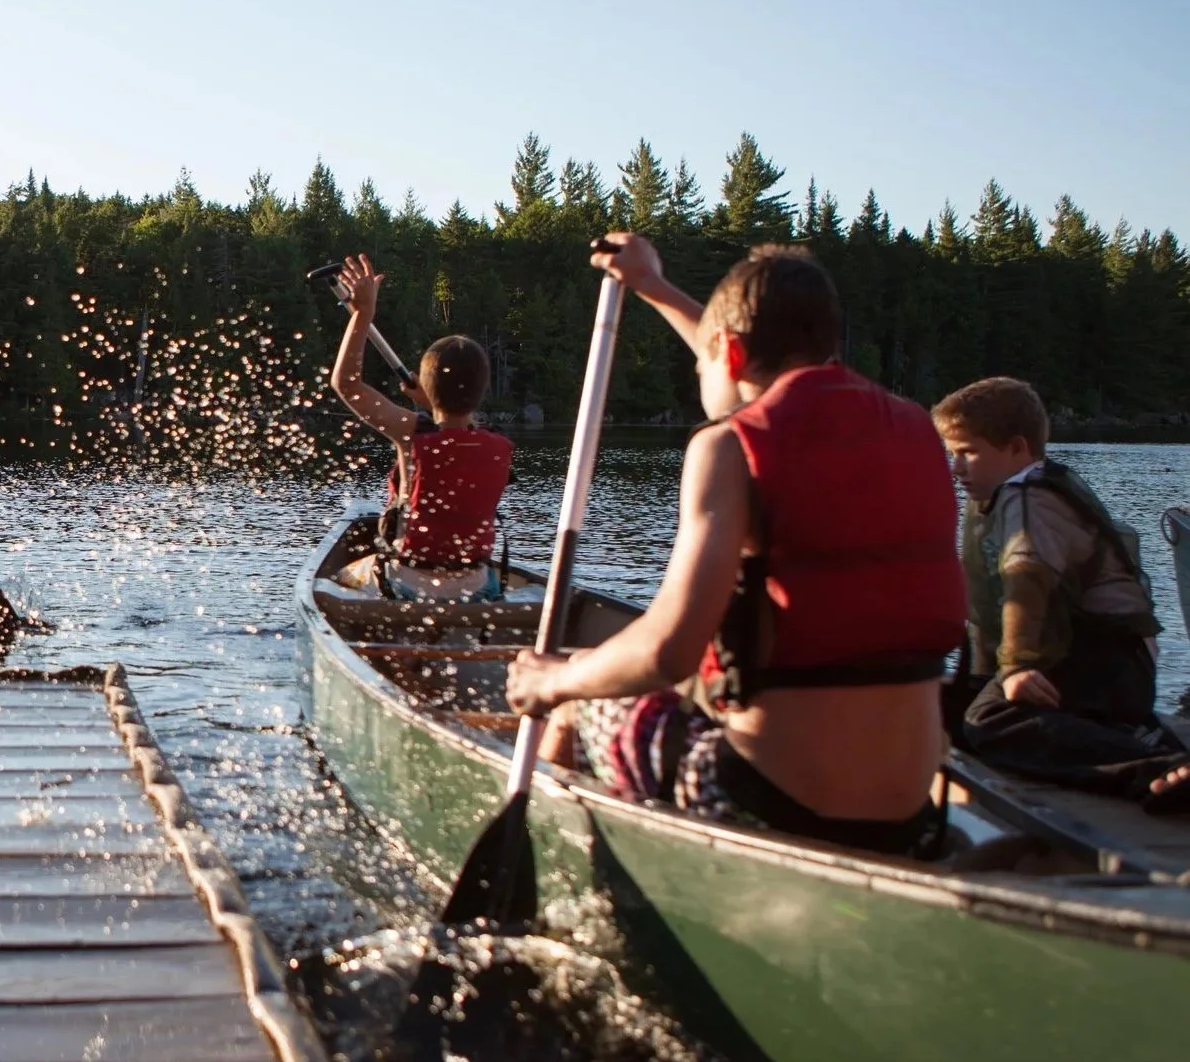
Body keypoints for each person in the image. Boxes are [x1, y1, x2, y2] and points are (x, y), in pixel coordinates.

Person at [506, 236, 968, 856]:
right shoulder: (915, 427)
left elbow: (667, 651)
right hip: (910, 808)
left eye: (703, 359)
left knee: (582, 702)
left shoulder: (728, 447)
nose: (700, 365)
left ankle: (561, 867)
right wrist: (652, 286)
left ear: (728, 353)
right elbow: (743, 359)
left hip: (774, 803)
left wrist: (555, 682)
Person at [931, 377, 1187, 802]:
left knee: (992, 719)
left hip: (1108, 660)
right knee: (949, 709)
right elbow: (984, 603)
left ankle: (1160, 769)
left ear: (1017, 448)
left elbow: (1028, 580)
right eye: (952, 455)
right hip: (1082, 658)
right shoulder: (998, 497)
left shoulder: (1031, 500)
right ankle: (1136, 734)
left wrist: (1017, 666)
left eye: (968, 454)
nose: (956, 468)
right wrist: (979, 679)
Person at [329, 254, 512, 601]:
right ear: (483, 390)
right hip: (477, 584)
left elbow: (347, 384)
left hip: (409, 581)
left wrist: (362, 316)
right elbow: (460, 427)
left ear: (429, 389)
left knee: (338, 579)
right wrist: (430, 402)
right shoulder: (496, 442)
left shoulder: (411, 434)